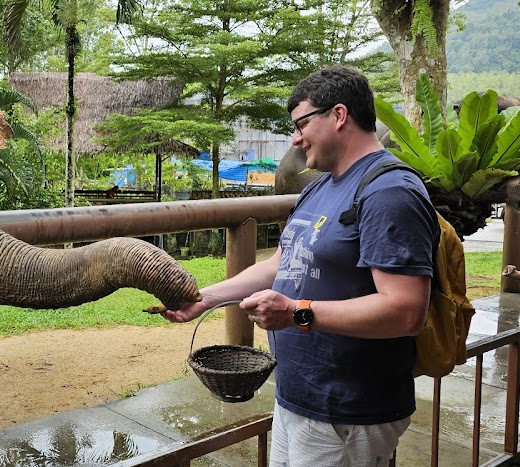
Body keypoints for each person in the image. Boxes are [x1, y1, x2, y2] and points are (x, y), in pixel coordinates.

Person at [161, 66, 438, 466]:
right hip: (301, 397)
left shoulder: (389, 192)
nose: (295, 137)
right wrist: (204, 299)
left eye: (301, 123)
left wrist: (295, 313)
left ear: (339, 115)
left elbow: (406, 311)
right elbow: (280, 263)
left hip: (347, 411)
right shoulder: (321, 186)